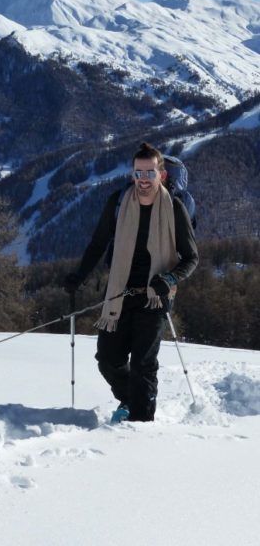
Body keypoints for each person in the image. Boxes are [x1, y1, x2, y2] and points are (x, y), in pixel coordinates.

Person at [63, 143, 198, 422]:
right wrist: (79, 275)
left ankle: (141, 425)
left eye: (150, 173)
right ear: (132, 173)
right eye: (139, 173)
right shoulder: (118, 202)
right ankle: (131, 398)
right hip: (120, 293)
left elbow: (191, 257)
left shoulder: (175, 208)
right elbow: (99, 243)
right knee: (107, 359)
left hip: (155, 295)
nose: (143, 179)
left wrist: (170, 278)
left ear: (161, 174)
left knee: (142, 364)